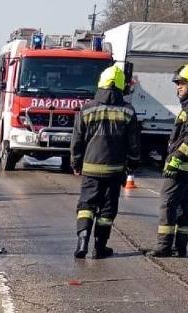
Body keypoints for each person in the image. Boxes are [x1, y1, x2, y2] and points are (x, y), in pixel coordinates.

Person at [71, 65, 139, 259]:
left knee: (86, 205)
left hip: (90, 168)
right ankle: (100, 248)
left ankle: (82, 242)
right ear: (120, 86)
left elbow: (76, 140)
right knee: (107, 210)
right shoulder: (128, 111)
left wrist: (76, 163)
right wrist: (132, 164)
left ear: (100, 83)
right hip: (115, 170)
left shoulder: (87, 109)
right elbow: (134, 143)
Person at [148, 64, 188, 258]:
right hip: (187, 164)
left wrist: (175, 159)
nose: (178, 87)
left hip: (181, 164)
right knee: (182, 205)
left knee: (168, 203)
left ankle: (163, 246)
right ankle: (179, 246)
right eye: (178, 84)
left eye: (182, 84)